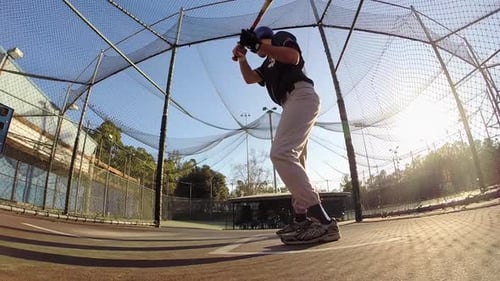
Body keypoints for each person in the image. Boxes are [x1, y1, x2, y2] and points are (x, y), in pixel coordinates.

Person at [232, 26, 340, 245]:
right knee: (296, 163)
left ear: (265, 38)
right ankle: (301, 219)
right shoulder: (266, 63)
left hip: (301, 95)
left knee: (281, 154)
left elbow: (293, 57)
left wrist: (257, 45)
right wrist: (243, 58)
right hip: (291, 103)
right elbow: (250, 78)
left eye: (260, 43)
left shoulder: (280, 39)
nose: (258, 50)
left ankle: (324, 221)